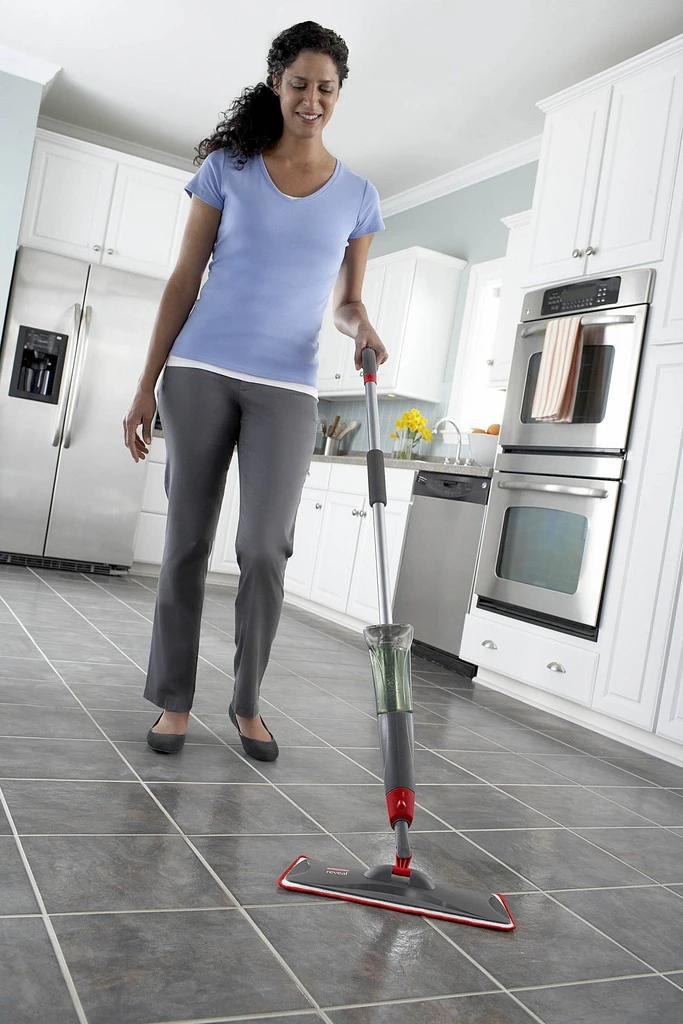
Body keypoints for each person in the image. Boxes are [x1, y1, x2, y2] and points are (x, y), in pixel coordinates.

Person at [123, 21, 388, 761]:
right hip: (200, 370)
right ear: (276, 83)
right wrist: (145, 385)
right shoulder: (228, 169)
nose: (311, 99)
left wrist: (360, 325)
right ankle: (174, 700)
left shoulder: (359, 196)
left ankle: (246, 702)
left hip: (287, 385)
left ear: (339, 94)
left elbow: (343, 301)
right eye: (299, 84)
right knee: (185, 544)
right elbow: (185, 278)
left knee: (265, 548)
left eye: (325, 88)